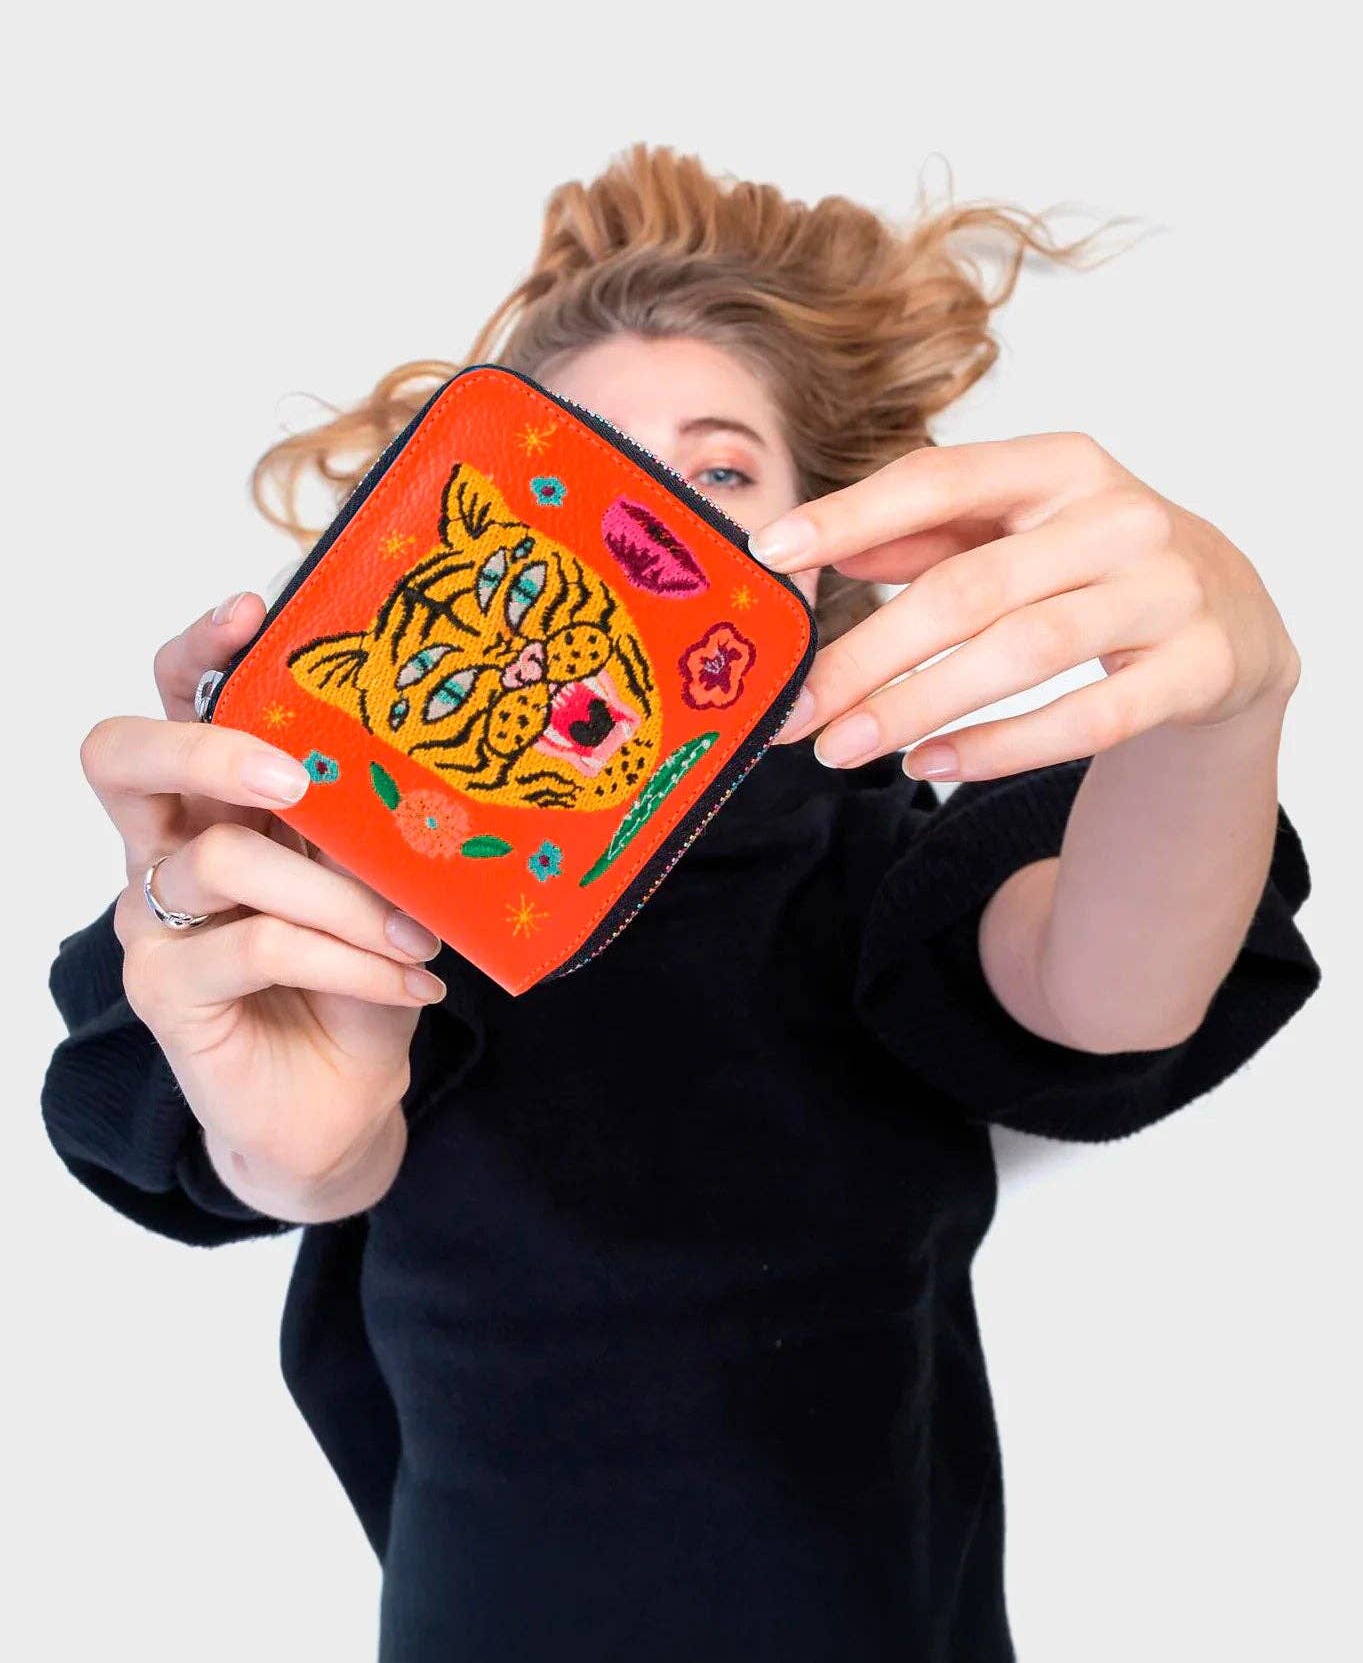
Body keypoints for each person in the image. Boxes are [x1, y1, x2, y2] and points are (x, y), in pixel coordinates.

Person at [42, 142, 1321, 1661]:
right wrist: (290, 1143)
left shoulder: (880, 868)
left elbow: (1109, 992)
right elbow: (289, 1145)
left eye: (718, 472)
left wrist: (1225, 703)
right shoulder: (336, 901)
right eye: (579, 465)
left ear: (826, 561)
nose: (642, 516)